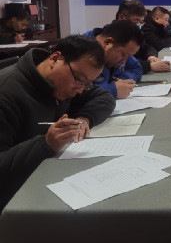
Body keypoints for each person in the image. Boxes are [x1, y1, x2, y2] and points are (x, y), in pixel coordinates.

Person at [0, 35, 115, 211]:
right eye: (79, 80)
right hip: (15, 199)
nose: (79, 90)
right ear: (55, 59)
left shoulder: (58, 83)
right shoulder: (7, 95)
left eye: (86, 84)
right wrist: (45, 144)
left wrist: (84, 118)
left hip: (46, 173)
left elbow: (104, 96)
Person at [82, 20, 143, 99]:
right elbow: (77, 94)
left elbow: (136, 68)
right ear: (108, 42)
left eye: (128, 56)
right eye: (123, 55)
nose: (124, 61)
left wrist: (119, 79)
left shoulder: (120, 48)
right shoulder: (81, 56)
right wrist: (112, 90)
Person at [115, 0, 170, 73]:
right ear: (121, 17)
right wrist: (149, 66)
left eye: (141, 22)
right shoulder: (111, 35)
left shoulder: (135, 33)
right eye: (137, 21)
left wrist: (151, 56)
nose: (139, 26)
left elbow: (146, 47)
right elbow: (123, 64)